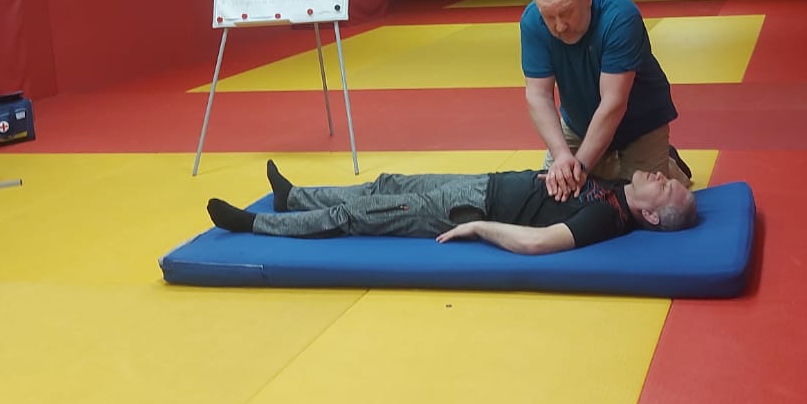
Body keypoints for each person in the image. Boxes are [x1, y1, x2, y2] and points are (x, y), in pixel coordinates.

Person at [206, 159, 698, 255]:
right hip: (481, 183)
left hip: (465, 209)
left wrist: (481, 227)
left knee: (359, 216)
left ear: (651, 215)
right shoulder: (620, 184)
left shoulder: (607, 216)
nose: (663, 178)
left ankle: (255, 224)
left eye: (667, 188)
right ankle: (291, 197)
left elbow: (540, 243)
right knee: (385, 183)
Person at [521, 0, 691, 201]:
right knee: (556, 196)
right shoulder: (533, 21)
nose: (559, 26)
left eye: (567, 12)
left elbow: (613, 102)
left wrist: (581, 167)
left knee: (643, 203)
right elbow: (538, 95)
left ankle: (669, 166)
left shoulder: (619, 16)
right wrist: (561, 156)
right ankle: (611, 165)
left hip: (640, 123)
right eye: (549, 17)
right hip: (579, 122)